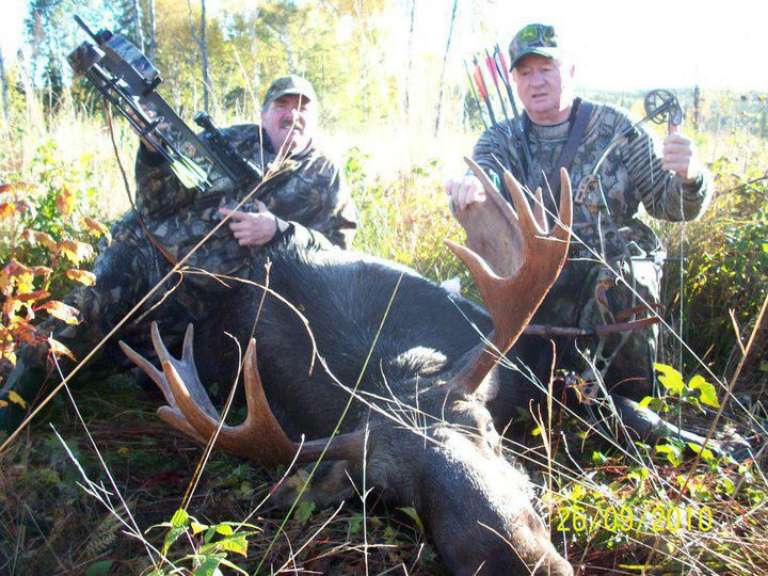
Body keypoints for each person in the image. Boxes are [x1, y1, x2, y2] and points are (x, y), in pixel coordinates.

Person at [1, 75, 356, 431]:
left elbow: (338, 255)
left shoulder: (326, 175)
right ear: (264, 114)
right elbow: (156, 203)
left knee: (110, 360)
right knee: (84, 316)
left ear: (314, 119)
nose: (292, 115)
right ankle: (10, 406)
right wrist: (154, 156)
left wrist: (280, 230)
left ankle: (34, 395)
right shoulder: (228, 141)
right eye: (282, 105)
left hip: (204, 299)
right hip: (146, 253)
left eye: (302, 107)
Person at [446, 24, 712, 399]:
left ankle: (633, 398)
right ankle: (536, 391)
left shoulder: (618, 129)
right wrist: (469, 189)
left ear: (569, 71)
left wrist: (690, 175)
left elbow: (668, 205)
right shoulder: (500, 139)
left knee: (629, 276)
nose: (536, 81)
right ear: (514, 81)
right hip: (538, 283)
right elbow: (483, 174)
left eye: (546, 69)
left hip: (608, 283)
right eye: (525, 72)